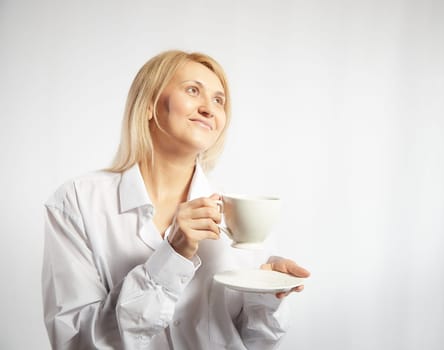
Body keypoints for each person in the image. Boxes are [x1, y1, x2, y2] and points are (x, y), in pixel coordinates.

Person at [41, 50, 310, 350]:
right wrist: (171, 257)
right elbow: (74, 342)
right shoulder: (76, 203)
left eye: (219, 100)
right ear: (148, 105)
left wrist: (266, 297)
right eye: (193, 90)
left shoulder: (242, 215)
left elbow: (257, 341)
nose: (209, 109)